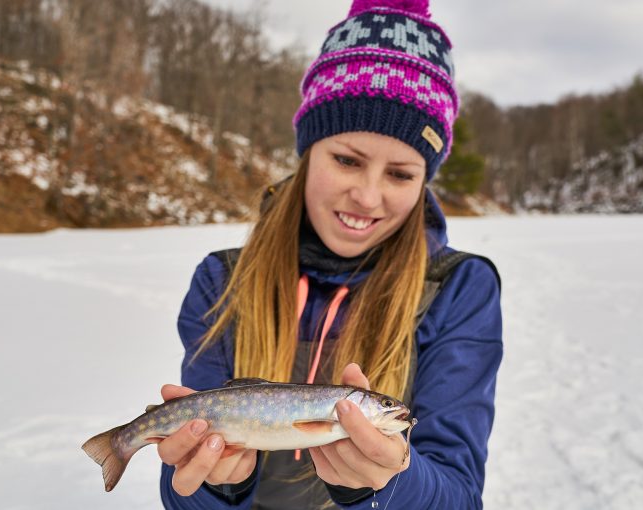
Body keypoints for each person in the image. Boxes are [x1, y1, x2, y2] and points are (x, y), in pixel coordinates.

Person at [157, 0, 503, 508]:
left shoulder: (460, 289)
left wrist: (390, 480)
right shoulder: (222, 279)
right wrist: (215, 483)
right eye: (346, 160)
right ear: (307, 153)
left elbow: (459, 495)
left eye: (401, 173)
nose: (367, 196)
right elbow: (181, 489)